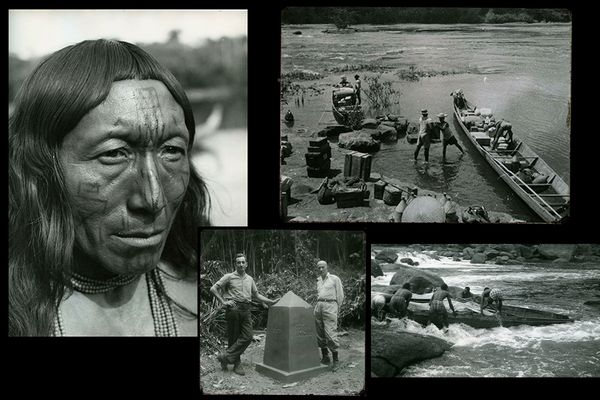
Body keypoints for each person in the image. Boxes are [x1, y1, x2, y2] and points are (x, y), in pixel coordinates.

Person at [9, 39, 210, 337]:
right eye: (113, 154)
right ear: (39, 170)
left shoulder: (204, 295)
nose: (153, 200)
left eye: (171, 150)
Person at [210, 253, 277, 375]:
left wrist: (270, 301)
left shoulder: (250, 279)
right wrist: (224, 302)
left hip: (246, 309)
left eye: (243, 262)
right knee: (234, 337)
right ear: (235, 264)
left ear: (246, 264)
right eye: (238, 262)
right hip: (233, 309)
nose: (241, 264)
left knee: (248, 336)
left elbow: (256, 295)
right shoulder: (229, 277)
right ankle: (236, 364)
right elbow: (213, 288)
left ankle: (225, 356)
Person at [315, 260, 344, 369]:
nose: (321, 269)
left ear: (327, 267)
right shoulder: (318, 280)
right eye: (319, 268)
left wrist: (337, 308)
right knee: (319, 332)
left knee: (330, 332)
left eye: (323, 267)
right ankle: (325, 356)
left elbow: (340, 295)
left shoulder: (334, 279)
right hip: (319, 305)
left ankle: (336, 360)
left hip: (330, 305)